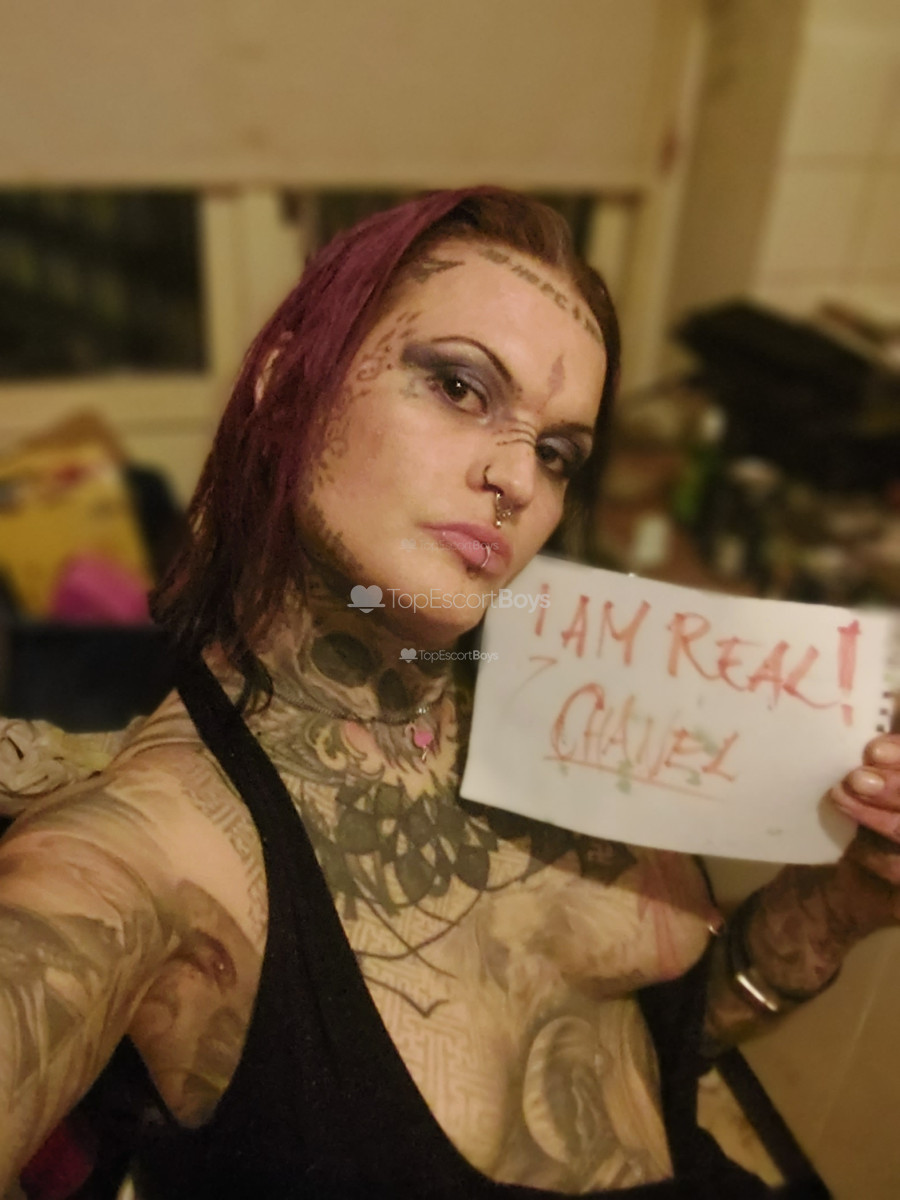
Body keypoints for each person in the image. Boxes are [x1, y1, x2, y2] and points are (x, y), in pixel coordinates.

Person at [1, 186, 899, 1199]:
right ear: (286, 386)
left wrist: (848, 901)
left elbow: (653, 1051)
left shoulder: (576, 708)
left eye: (558, 453)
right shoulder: (149, 851)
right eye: (461, 387)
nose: (519, 480)